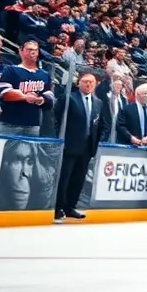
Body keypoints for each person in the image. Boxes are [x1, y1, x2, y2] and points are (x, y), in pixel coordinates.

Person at [56, 71, 105, 221]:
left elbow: (100, 125)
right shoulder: (69, 98)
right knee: (64, 178)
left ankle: (70, 207)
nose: (88, 84)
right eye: (85, 81)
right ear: (79, 83)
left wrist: (95, 143)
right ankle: (58, 207)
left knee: (78, 179)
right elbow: (57, 119)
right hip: (69, 145)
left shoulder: (98, 102)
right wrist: (60, 140)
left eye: (91, 82)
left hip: (87, 147)